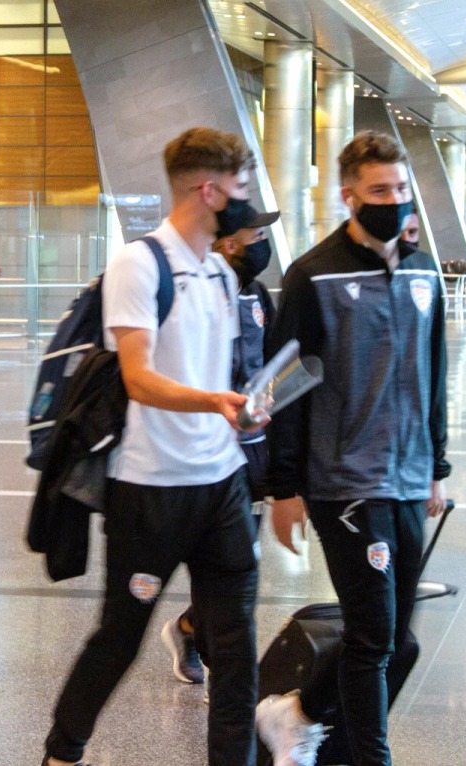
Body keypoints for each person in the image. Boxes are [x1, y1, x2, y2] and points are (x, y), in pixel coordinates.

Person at [43, 128, 264, 766]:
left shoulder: (222, 272)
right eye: (242, 188)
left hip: (222, 484)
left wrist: (243, 411)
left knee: (236, 648)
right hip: (150, 491)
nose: (246, 201)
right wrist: (215, 403)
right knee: (120, 638)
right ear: (211, 188)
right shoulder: (140, 264)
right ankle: (62, 751)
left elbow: (213, 375)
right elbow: (138, 378)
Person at [260, 130, 449, 766]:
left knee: (399, 641)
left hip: (408, 472)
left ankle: (300, 716)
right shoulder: (314, 274)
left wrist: (437, 468)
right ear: (349, 196)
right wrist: (283, 489)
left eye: (400, 189)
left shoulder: (424, 269)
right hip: (341, 481)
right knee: (373, 636)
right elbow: (284, 388)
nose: (393, 201)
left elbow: (435, 370)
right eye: (379, 190)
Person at [160, 207, 281, 688]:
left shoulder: (256, 294)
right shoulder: (198, 292)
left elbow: (270, 360)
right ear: (229, 243)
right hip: (204, 453)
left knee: (241, 564)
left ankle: (189, 629)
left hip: (254, 447)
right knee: (221, 567)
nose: (262, 242)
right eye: (256, 234)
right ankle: (222, 666)